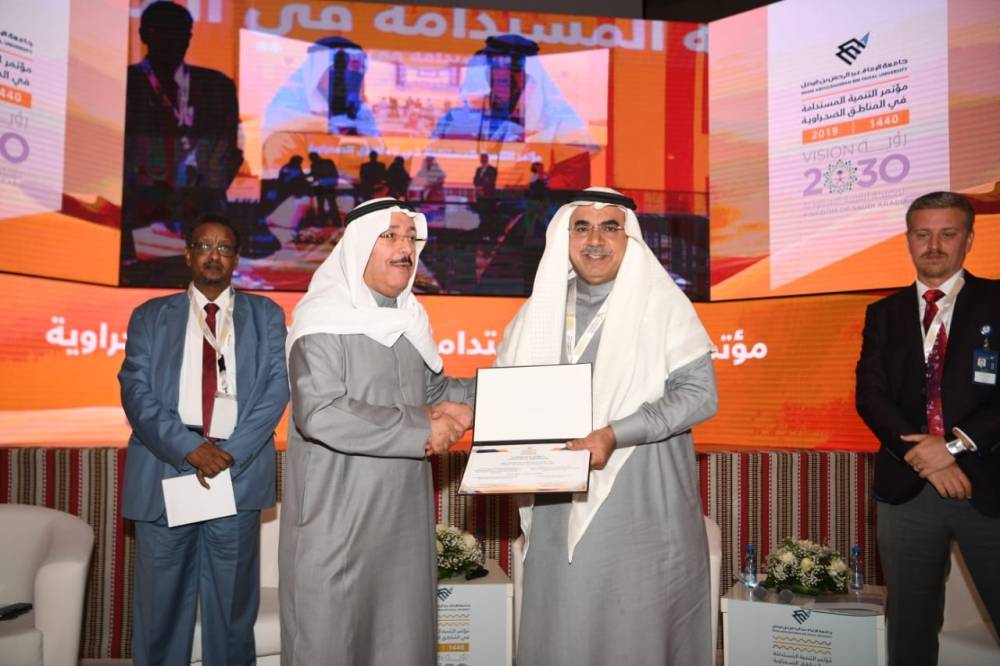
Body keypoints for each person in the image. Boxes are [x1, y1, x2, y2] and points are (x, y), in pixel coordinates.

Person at [496, 187, 717, 665]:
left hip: (640, 499)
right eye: (582, 227)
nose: (595, 240)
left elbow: (700, 395)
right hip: (555, 497)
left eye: (609, 227)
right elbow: (508, 398)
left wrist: (617, 433)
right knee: (562, 622)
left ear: (628, 237)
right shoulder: (537, 312)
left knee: (632, 627)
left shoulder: (662, 305)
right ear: (565, 237)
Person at [278, 198, 476, 665]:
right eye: (390, 236)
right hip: (337, 528)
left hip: (403, 528)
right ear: (359, 246)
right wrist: (423, 427)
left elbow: (438, 391)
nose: (405, 248)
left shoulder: (410, 322)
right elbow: (321, 412)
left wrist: (507, 392)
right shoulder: (321, 323)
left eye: (410, 237)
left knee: (401, 646)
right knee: (331, 646)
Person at [118, 215, 289, 665]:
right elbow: (134, 390)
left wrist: (228, 453)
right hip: (167, 469)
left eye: (225, 248)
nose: (214, 255)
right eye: (205, 246)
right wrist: (189, 448)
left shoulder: (266, 315)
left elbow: (277, 389)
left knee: (232, 613)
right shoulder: (150, 315)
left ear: (237, 259)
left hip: (236, 472)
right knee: (160, 611)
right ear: (188, 254)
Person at [855, 191, 1000, 666]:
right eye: (922, 234)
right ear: (908, 240)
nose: (933, 245)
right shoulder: (883, 313)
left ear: (969, 239)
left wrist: (953, 447)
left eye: (947, 233)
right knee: (910, 632)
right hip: (907, 491)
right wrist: (928, 460)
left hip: (989, 486)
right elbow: (871, 397)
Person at [122, 1, 242, 263]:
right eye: (165, 31)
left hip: (201, 221)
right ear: (144, 35)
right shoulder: (124, 84)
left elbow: (230, 153)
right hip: (136, 222)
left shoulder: (218, 87)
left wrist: (199, 195)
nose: (176, 40)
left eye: (183, 33)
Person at [308, 151, 340, 225]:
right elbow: (335, 172)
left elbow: (315, 176)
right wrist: (335, 181)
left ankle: (321, 222)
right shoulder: (328, 161)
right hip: (330, 185)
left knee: (321, 204)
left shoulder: (314, 164)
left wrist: (309, 181)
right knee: (332, 203)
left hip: (321, 186)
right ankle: (336, 222)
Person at [473, 153, 499, 238]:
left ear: (487, 159)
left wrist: (483, 189)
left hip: (488, 197)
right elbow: (475, 181)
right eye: (481, 158)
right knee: (481, 215)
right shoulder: (478, 169)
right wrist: (478, 189)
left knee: (488, 216)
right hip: (480, 197)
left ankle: (488, 234)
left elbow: (490, 182)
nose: (482, 160)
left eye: (484, 158)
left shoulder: (492, 170)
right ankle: (481, 233)